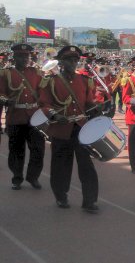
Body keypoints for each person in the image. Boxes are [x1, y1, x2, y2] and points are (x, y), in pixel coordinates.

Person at [38, 46, 100, 213]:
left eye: (75, 60)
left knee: (86, 165)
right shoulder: (51, 81)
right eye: (69, 60)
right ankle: (61, 196)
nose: (73, 63)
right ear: (61, 62)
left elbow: (88, 102)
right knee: (61, 166)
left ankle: (89, 200)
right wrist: (56, 116)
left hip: (81, 128)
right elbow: (44, 104)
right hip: (61, 129)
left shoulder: (85, 80)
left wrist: (96, 108)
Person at [0, 44, 45, 190]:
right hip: (15, 116)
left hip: (34, 117)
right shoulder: (6, 73)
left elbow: (43, 92)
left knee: (38, 149)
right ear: (14, 57)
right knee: (16, 149)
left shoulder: (37, 73)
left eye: (26, 56)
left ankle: (33, 177)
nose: (24, 59)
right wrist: (6, 100)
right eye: (21, 56)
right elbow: (1, 92)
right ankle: (17, 177)